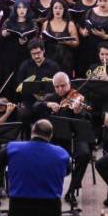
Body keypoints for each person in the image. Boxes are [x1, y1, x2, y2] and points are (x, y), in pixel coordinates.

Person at [33, 72, 92, 204]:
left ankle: (71, 190)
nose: (60, 89)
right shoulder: (51, 97)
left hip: (76, 136)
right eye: (57, 86)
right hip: (57, 137)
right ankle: (47, 187)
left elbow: (89, 117)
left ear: (69, 84)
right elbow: (35, 106)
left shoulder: (79, 97)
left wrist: (78, 112)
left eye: (63, 86)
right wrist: (48, 104)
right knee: (45, 153)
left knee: (84, 154)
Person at [0, 0, 36, 86]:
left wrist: (27, 40)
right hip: (11, 56)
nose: (22, 10)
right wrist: (3, 34)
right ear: (15, 9)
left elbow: (36, 37)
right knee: (12, 80)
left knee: (24, 78)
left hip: (26, 54)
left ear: (28, 9)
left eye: (24, 7)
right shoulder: (8, 21)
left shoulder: (32, 22)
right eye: (19, 7)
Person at [41, 0, 79, 76]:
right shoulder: (46, 24)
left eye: (60, 8)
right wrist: (42, 39)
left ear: (64, 10)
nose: (58, 10)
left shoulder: (70, 24)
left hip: (65, 59)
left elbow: (76, 42)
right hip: (49, 57)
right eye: (55, 8)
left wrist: (67, 42)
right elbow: (41, 40)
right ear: (52, 9)